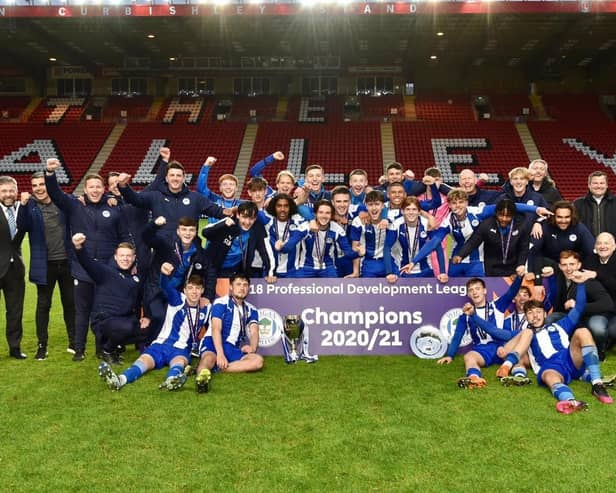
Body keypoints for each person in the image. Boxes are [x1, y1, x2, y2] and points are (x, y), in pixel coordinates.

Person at [45, 158, 132, 361]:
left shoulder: (113, 208)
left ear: (103, 189)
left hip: (107, 270)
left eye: (98, 187)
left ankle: (101, 349)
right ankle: (79, 349)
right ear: (85, 188)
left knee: (103, 312)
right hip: (82, 269)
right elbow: (56, 194)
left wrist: (127, 260)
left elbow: (124, 236)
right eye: (91, 187)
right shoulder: (76, 206)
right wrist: (50, 173)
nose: (94, 190)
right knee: (81, 311)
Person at [488, 284, 613, 414]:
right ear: (526, 317)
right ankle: (570, 401)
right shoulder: (525, 333)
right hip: (551, 366)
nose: (535, 316)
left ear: (545, 313)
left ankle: (597, 384)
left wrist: (581, 283)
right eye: (530, 313)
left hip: (570, 358)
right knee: (548, 375)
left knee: (583, 332)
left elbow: (579, 308)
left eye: (538, 312)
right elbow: (495, 331)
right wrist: (474, 315)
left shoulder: (560, 325)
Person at [98, 273, 209, 391]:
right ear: (184, 290)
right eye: (191, 288)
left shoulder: (207, 308)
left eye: (198, 288)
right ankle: (120, 380)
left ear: (202, 290)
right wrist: (164, 274)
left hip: (181, 349)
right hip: (161, 343)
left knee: (179, 362)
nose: (194, 292)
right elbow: (165, 286)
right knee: (144, 360)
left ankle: (171, 380)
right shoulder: (177, 299)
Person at [17, 172, 75, 359]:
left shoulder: (63, 201)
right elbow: (21, 226)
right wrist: (23, 205)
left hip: (67, 263)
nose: (39, 188)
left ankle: (74, 342)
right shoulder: (30, 205)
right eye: (35, 186)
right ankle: (42, 346)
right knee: (43, 306)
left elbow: (84, 202)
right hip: (44, 265)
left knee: (70, 304)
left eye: (42, 184)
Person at [436, 274, 525, 389]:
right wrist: (450, 355)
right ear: (468, 294)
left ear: (484, 290)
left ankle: (519, 377)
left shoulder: (497, 305)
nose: (474, 292)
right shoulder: (466, 314)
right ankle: (474, 378)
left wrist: (519, 277)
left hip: (502, 346)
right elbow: (457, 336)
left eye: (477, 289)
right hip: (483, 349)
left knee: (518, 353)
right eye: (471, 290)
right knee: (468, 357)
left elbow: (511, 292)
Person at [72, 233, 146, 365]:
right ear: (116, 257)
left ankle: (116, 347)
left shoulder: (136, 279)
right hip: (104, 321)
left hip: (124, 319)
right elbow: (88, 263)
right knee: (126, 327)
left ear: (134, 258)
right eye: (122, 256)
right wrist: (79, 247)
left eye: (129, 256)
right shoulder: (105, 272)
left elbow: (141, 300)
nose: (125, 259)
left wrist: (146, 317)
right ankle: (107, 350)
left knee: (148, 330)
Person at [194, 272, 263, 393]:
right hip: (213, 341)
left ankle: (217, 369)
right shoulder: (221, 302)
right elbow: (216, 328)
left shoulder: (251, 309)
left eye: (245, 285)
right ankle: (202, 380)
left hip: (231, 347)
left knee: (257, 361)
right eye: (238, 284)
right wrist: (220, 354)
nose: (242, 288)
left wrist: (252, 347)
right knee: (209, 358)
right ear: (231, 287)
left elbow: (254, 331)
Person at [545, 250, 614, 360]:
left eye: (572, 264)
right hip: (571, 317)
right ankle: (556, 350)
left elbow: (607, 304)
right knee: (550, 319)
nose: (568, 268)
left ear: (579, 265)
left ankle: (600, 350)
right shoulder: (559, 279)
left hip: (590, 316)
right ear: (560, 266)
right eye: (564, 265)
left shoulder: (589, 281)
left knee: (597, 327)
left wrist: (577, 306)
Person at [452, 199, 531, 277]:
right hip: (492, 268)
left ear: (513, 215)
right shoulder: (487, 224)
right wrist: (460, 255)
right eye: (501, 215)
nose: (504, 219)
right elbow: (473, 242)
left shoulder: (521, 225)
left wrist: (521, 264)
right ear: (496, 213)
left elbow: (524, 248)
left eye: (508, 216)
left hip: (514, 268)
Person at [202, 201, 274, 279]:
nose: (247, 222)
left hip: (236, 271)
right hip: (214, 269)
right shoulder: (228, 222)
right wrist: (222, 225)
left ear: (255, 218)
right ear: (238, 215)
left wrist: (269, 274)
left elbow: (265, 251)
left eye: (251, 218)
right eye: (244, 217)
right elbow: (205, 232)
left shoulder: (257, 229)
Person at [528, 200, 595, 283]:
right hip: (549, 269)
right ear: (553, 216)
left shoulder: (579, 227)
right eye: (559, 217)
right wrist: (532, 271)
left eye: (567, 217)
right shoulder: (543, 227)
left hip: (572, 269)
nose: (563, 221)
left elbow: (591, 251)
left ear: (572, 216)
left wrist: (580, 268)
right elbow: (533, 252)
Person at [384, 196, 445, 282]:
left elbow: (438, 246)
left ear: (419, 211)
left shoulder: (427, 224)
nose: (411, 212)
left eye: (414, 209)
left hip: (425, 270)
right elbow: (387, 247)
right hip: (402, 271)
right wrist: (389, 272)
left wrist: (442, 272)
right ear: (402, 211)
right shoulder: (396, 224)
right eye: (407, 209)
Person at [0, 175, 27, 359]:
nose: (8, 194)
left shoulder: (21, 209)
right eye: (4, 191)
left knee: (15, 311)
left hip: (15, 269)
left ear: (16, 192)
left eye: (11, 190)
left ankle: (15, 348)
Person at [296, 200, 359, 278]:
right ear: (315, 214)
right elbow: (300, 207)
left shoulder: (337, 229)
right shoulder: (306, 226)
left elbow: (348, 251)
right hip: (306, 267)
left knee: (335, 288)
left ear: (332, 215)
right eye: (321, 212)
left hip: (328, 267)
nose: (324, 216)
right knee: (298, 287)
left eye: (327, 213)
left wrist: (358, 253)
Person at [579, 233, 616, 360]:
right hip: (598, 309)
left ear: (614, 246)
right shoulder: (590, 260)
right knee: (597, 327)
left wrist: (596, 275)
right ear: (595, 246)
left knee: (613, 331)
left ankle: (609, 341)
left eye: (606, 243)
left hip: (615, 310)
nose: (602, 246)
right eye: (599, 243)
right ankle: (600, 349)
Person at [263, 194, 308, 278]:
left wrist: (283, 246)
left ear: (290, 207)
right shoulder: (268, 221)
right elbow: (252, 210)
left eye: (286, 206)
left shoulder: (298, 221)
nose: (282, 209)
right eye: (279, 206)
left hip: (292, 272)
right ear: (274, 207)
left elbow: (301, 233)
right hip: (270, 272)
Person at [350, 190, 389, 278]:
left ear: (383, 206)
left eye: (377, 204)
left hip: (388, 261)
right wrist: (356, 272)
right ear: (366, 206)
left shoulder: (390, 220)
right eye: (370, 205)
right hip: (368, 262)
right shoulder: (358, 221)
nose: (374, 208)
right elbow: (355, 247)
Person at [196, 156, 242, 222]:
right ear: (220, 188)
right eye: (225, 184)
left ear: (236, 188)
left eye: (231, 184)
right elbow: (201, 188)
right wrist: (206, 167)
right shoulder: (213, 200)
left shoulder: (242, 204)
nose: (228, 187)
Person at [574, 170, 616, 238]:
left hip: (612, 246)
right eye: (595, 183)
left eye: (602, 183)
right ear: (589, 185)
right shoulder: (578, 204)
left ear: (607, 185)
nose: (598, 186)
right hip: (587, 246)